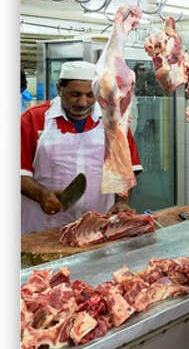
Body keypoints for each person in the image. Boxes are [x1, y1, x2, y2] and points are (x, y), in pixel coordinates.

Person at [20, 61, 142, 234]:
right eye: (75, 94)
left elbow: (125, 169)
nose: (83, 102)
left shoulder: (113, 122)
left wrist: (122, 201)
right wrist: (41, 195)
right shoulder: (33, 119)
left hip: (97, 225)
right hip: (44, 226)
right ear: (59, 89)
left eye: (90, 95)